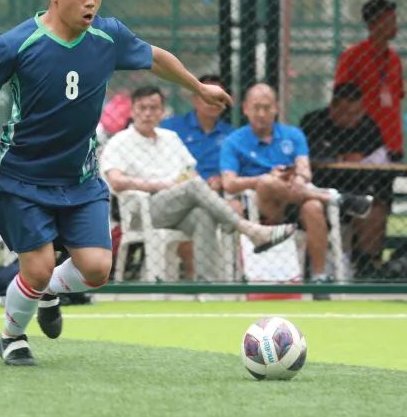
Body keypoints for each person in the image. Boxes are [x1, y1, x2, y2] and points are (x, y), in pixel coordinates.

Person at [0, 0, 233, 367]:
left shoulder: (109, 36)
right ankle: (12, 336)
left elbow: (156, 58)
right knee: (37, 268)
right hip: (22, 179)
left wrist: (197, 88)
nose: (91, 0)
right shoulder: (18, 43)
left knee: (96, 269)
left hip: (80, 180)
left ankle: (48, 292)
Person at [100, 85, 294, 281]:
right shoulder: (120, 141)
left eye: (153, 108)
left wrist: (181, 184)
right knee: (193, 185)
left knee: (203, 215)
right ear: (132, 111)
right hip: (141, 211)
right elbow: (116, 181)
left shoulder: (170, 138)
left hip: (178, 205)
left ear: (162, 111)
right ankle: (250, 230)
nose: (148, 113)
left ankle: (207, 285)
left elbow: (190, 173)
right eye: (142, 108)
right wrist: (159, 185)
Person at [220, 83, 373, 291]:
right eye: (256, 108)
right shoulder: (233, 141)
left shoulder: (293, 135)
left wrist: (299, 179)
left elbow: (304, 170)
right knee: (267, 182)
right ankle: (333, 197)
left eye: (267, 107)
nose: (262, 114)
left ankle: (319, 277)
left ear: (276, 108)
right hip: (259, 206)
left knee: (314, 207)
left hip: (294, 202)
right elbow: (229, 183)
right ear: (245, 108)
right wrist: (262, 179)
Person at [300, 82, 391, 277]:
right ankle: (314, 269)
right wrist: (340, 158)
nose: (353, 118)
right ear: (333, 107)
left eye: (357, 113)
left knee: (376, 209)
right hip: (321, 187)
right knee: (311, 207)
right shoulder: (313, 122)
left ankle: (367, 266)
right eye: (347, 113)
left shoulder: (368, 125)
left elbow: (379, 157)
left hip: (358, 187)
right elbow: (310, 156)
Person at [335, 0, 405, 159]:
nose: (395, 26)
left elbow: (398, 96)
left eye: (395, 20)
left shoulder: (394, 59)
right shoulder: (353, 56)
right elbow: (342, 97)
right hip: (362, 142)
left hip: (392, 141)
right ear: (372, 24)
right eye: (389, 21)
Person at [160, 74, 235, 195]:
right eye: (208, 97)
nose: (213, 102)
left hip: (217, 192)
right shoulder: (171, 127)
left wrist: (220, 179)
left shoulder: (231, 135)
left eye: (219, 98)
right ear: (194, 99)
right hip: (179, 189)